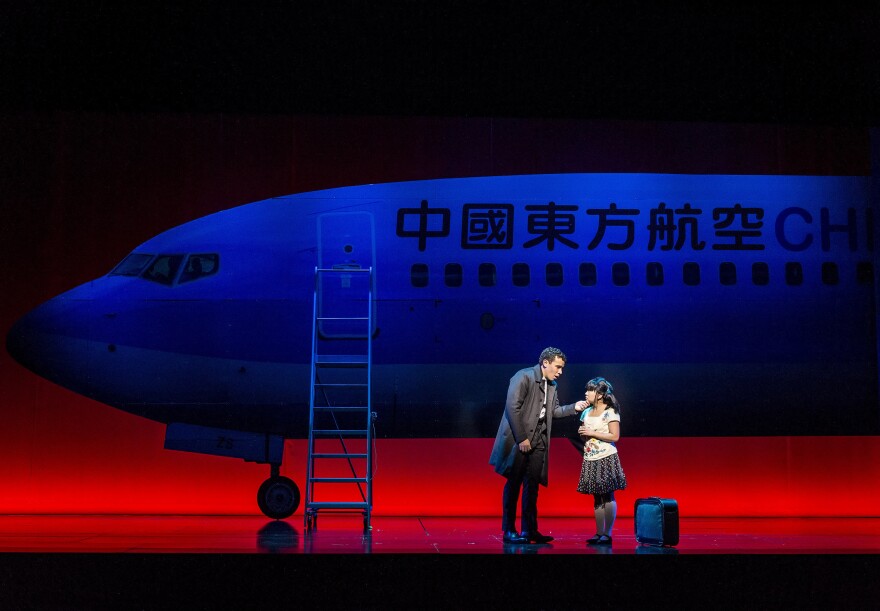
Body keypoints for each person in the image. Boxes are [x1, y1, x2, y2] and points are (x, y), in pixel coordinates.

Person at [489, 347, 586, 544]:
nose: (560, 372)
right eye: (558, 367)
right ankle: (509, 530)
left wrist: (573, 408)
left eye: (562, 368)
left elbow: (554, 411)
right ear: (545, 363)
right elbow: (512, 408)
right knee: (514, 484)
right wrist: (522, 438)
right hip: (519, 441)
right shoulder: (523, 377)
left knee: (532, 486)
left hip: (539, 442)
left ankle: (530, 530)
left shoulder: (552, 385)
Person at [576, 377, 627, 545]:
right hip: (591, 457)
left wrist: (592, 433)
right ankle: (599, 532)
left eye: (589, 390)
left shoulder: (610, 411)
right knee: (597, 497)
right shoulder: (586, 412)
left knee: (607, 495)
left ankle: (607, 533)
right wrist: (584, 434)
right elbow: (585, 435)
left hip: (606, 457)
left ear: (599, 394)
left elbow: (615, 436)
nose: (586, 393)